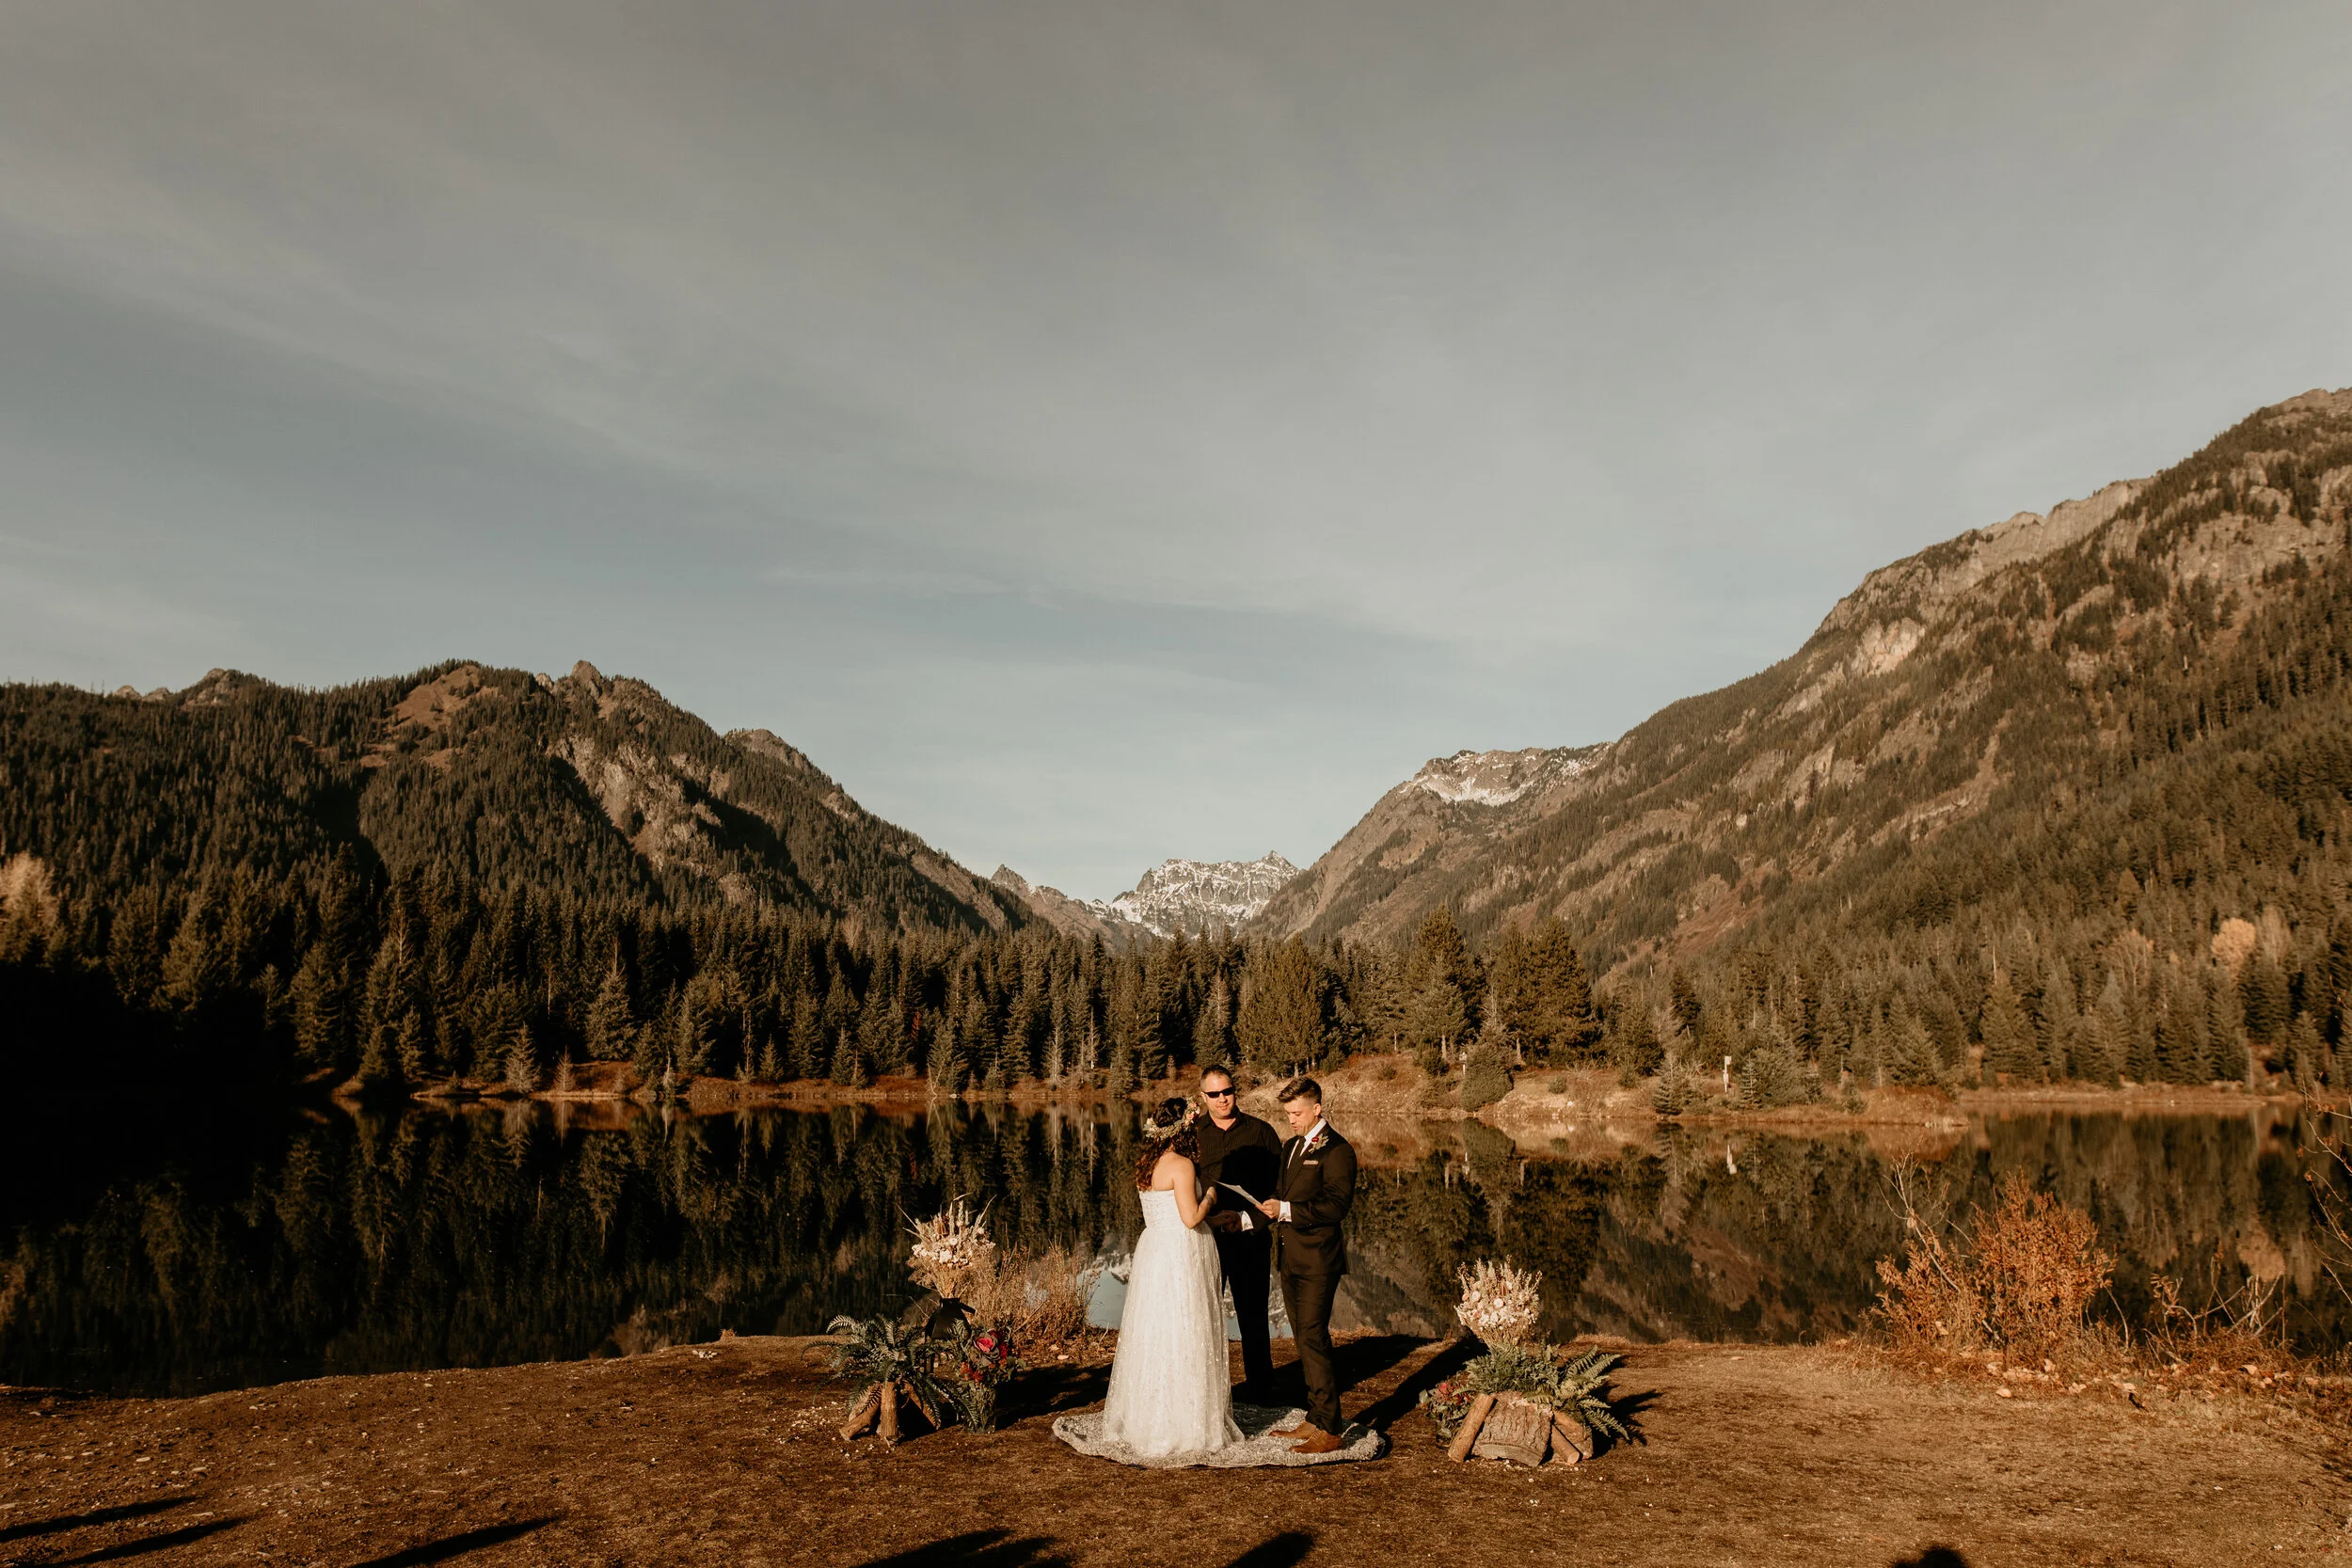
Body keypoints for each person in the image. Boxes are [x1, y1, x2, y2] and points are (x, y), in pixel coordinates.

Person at [1096, 1097, 1244, 1457]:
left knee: (1158, 1330)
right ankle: (1187, 1421)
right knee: (1187, 1326)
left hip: (1156, 1250)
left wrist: (1215, 1219)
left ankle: (1149, 1415)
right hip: (1181, 1253)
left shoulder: (1148, 1163)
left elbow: (1173, 1213)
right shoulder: (1182, 1165)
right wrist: (1211, 1196)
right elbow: (1190, 1219)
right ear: (1184, 1129)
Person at [1255, 1076, 1358, 1454]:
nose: (1291, 1120)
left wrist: (1286, 1210)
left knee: (1313, 1337)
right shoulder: (1291, 1146)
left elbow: (1336, 1207)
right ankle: (1315, 1417)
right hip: (1289, 1258)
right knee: (1302, 1339)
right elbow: (1282, 1195)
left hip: (1318, 1261)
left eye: (1297, 1113)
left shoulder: (1338, 1151)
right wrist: (1257, 1215)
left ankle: (1330, 1429)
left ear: (1317, 1109)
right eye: (1287, 1114)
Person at [1193, 1064, 1281, 1403]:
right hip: (1205, 1240)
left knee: (1254, 1318)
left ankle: (1261, 1394)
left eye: (1227, 1091)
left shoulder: (1261, 1132)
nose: (1222, 1099)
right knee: (1203, 1317)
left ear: (1235, 1091)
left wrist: (1250, 1220)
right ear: (1203, 1096)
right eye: (1214, 1094)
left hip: (1250, 1239)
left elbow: (1279, 1188)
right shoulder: (1192, 1135)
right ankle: (1207, 1395)